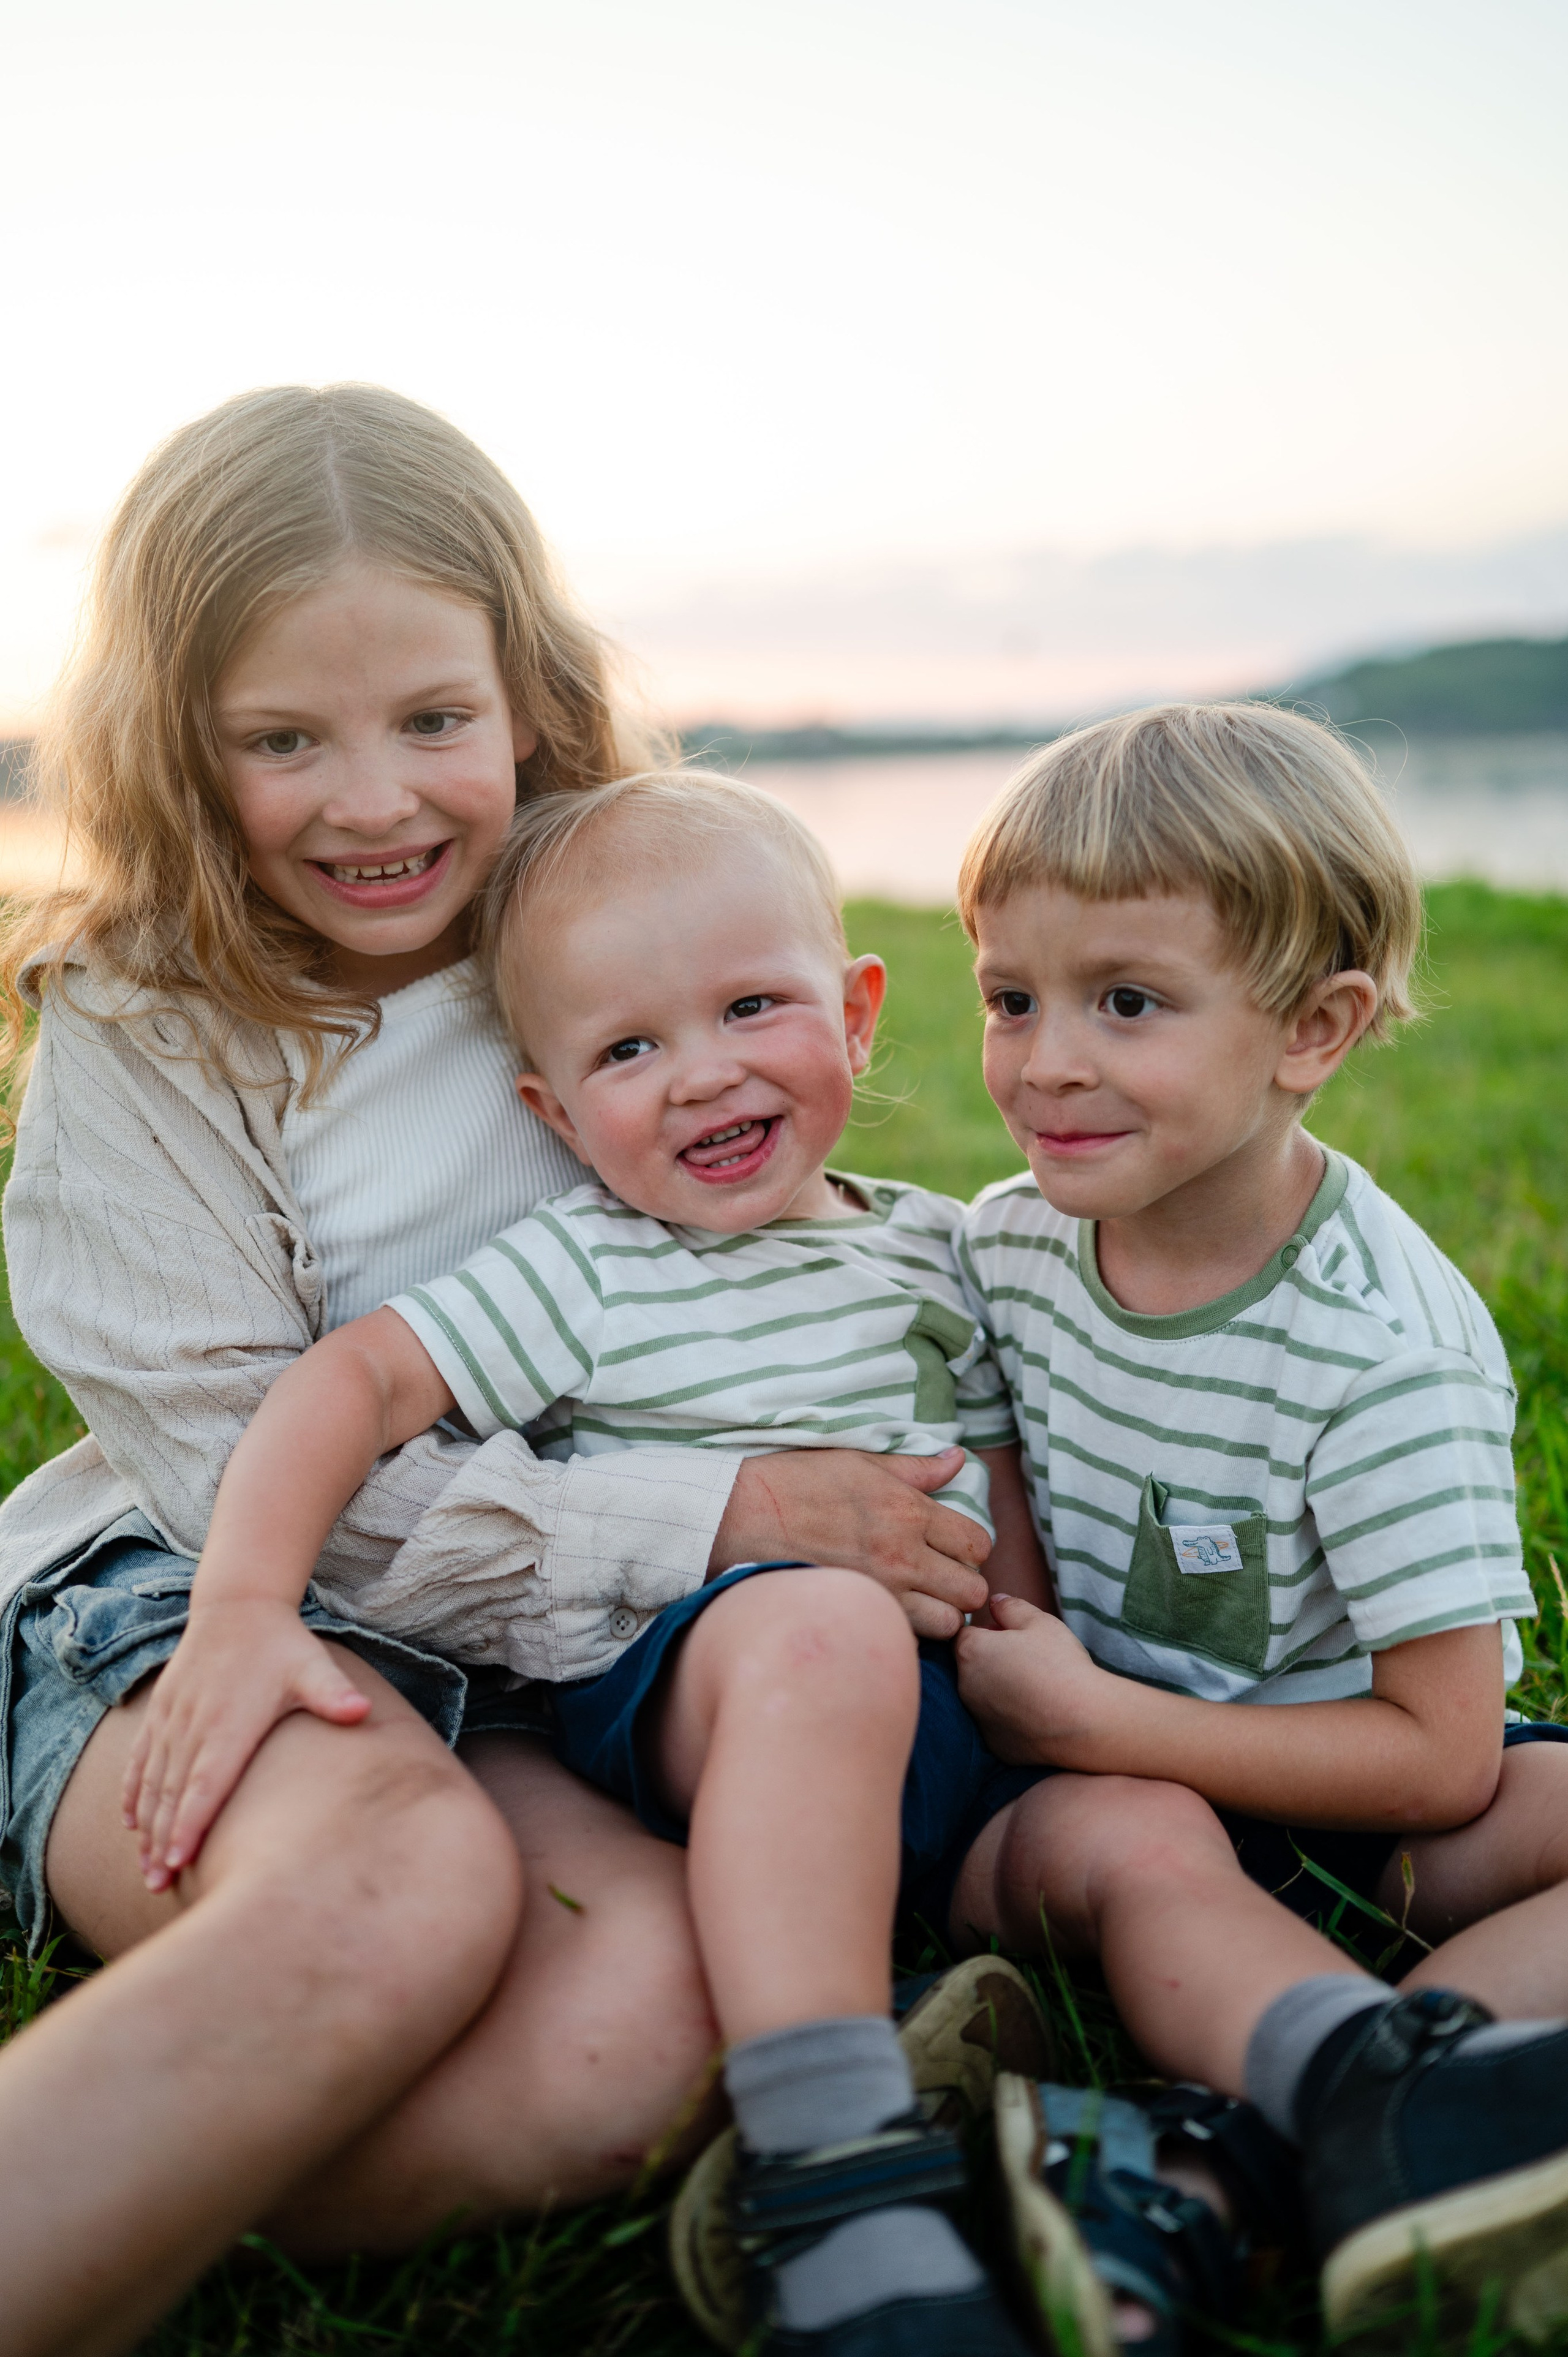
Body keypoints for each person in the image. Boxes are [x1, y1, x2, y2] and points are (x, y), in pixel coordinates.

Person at [0, 387, 1003, 2357]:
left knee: (636, 2024)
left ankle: (137, 2159)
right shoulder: (147, 1026)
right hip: (208, 1600)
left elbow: (772, 1223)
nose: (373, 803)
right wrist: (712, 1510)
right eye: (284, 740)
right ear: (176, 747)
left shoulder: (590, 932)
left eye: (431, 723)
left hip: (543, 1673)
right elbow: (244, 1480)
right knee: (406, 1890)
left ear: (527, 694)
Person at [123, 768, 1060, 2357]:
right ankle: (829, 2163)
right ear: (553, 1115)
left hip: (935, 1737)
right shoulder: (591, 1269)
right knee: (821, 1631)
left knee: (1143, 1837)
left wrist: (1046, 1662)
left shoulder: (936, 1248)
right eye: (628, 1049)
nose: (700, 1077)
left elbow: (1005, 1489)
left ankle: (1218, 2077)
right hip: (693, 1706)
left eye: (750, 1008)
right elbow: (351, 1385)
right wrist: (242, 1600)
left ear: (856, 1015)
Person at [941, 703, 1568, 2348]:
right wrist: (1076, 1721)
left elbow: (1445, 1762)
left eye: (1126, 1002)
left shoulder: (1382, 1351)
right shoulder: (1008, 1254)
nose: (1046, 1059)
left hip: (1333, 1792)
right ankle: (1357, 2106)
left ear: (1315, 1028)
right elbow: (1008, 1568)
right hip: (1085, 1806)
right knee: (1143, 1845)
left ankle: (1233, 2147)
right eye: (1012, 998)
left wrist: (1100, 1705)